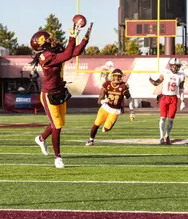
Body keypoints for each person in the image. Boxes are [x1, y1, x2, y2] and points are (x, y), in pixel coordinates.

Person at [31, 20, 93, 168]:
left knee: (59, 123)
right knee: (57, 125)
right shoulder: (44, 56)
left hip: (60, 92)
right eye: (48, 39)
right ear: (42, 45)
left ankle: (41, 138)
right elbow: (66, 55)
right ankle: (57, 157)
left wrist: (85, 38)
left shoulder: (54, 51)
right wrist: (72, 37)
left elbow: (74, 52)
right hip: (49, 94)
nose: (52, 40)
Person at [85, 69, 135, 146]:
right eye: (115, 76)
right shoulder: (107, 84)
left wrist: (132, 112)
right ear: (112, 76)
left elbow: (130, 98)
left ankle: (106, 127)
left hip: (115, 110)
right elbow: (99, 100)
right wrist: (104, 100)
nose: (117, 78)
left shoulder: (123, 86)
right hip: (105, 107)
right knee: (96, 124)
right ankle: (91, 140)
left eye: (119, 76)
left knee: (106, 128)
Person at [149, 58, 186, 145]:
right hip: (164, 97)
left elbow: (181, 89)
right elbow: (157, 82)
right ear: (170, 66)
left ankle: (167, 135)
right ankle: (161, 137)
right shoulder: (165, 72)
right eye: (173, 66)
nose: (175, 68)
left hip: (173, 98)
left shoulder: (181, 75)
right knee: (163, 118)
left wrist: (183, 100)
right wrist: (150, 79)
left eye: (176, 66)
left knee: (170, 120)